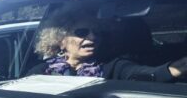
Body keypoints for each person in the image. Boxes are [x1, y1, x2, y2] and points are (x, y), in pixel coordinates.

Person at [31, 15, 187, 81]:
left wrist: (177, 68)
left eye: (97, 32)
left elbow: (147, 74)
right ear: (60, 40)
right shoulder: (40, 71)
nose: (93, 37)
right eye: (82, 32)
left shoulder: (113, 66)